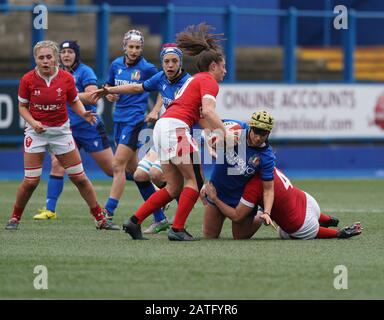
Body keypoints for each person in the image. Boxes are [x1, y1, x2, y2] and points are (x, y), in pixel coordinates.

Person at [123, 23, 232, 241]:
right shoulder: (208, 81)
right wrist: (225, 133)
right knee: (192, 181)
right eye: (223, 66)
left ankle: (134, 222)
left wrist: (212, 136)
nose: (225, 71)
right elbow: (209, 111)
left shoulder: (196, 80)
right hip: (176, 128)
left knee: (173, 187)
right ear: (213, 66)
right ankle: (178, 229)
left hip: (163, 127)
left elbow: (201, 115)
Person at [4, 40, 114, 231]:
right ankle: (15, 218)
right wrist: (33, 123)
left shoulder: (66, 78)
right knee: (31, 181)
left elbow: (73, 101)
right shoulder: (28, 79)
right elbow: (22, 107)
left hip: (61, 133)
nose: (45, 61)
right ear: (35, 59)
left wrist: (83, 113)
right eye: (41, 57)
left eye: (49, 57)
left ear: (55, 58)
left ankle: (100, 218)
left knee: (79, 178)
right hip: (36, 133)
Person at [92, 43, 191, 234]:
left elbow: (203, 112)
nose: (170, 65)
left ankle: (109, 212)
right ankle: (161, 218)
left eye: (174, 61)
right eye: (166, 61)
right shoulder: (160, 77)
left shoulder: (189, 83)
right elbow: (137, 88)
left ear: (181, 62)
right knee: (137, 174)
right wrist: (109, 90)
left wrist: (212, 135)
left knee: (122, 166)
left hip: (180, 137)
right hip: (161, 136)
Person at [100, 30, 168, 225]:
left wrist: (155, 110)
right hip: (119, 120)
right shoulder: (116, 65)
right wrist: (110, 95)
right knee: (134, 170)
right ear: (124, 46)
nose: (134, 50)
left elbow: (163, 88)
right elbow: (109, 86)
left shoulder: (147, 68)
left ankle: (108, 212)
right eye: (131, 47)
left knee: (117, 165)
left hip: (135, 121)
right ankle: (159, 213)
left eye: (138, 47)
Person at [204, 167, 362, 240]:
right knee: (287, 207)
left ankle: (337, 233)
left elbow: (237, 217)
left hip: (300, 224)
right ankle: (325, 219)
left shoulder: (254, 185)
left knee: (284, 233)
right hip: (308, 201)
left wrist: (215, 198)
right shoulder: (269, 167)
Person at [200, 112, 276, 238]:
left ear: (268, 133)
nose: (258, 138)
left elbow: (268, 189)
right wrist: (211, 144)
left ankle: (259, 215)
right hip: (217, 190)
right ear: (250, 127)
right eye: (255, 132)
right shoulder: (236, 128)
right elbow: (206, 123)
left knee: (239, 237)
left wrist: (267, 212)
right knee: (209, 236)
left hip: (240, 199)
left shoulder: (267, 157)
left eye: (263, 134)